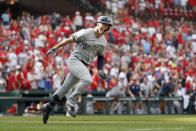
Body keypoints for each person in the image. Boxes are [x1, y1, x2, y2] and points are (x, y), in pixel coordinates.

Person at [42, 16, 113, 124]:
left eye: (107, 25)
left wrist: (99, 69)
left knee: (64, 89)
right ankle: (70, 103)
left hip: (84, 66)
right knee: (88, 80)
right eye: (103, 24)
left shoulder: (103, 41)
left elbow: (101, 57)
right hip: (75, 60)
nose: (105, 27)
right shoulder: (85, 33)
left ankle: (48, 105)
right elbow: (69, 40)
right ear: (98, 23)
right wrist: (55, 48)